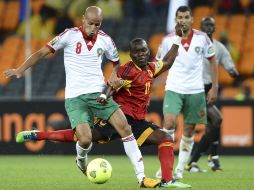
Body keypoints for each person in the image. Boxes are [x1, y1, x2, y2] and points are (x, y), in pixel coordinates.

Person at [4, 6, 159, 188]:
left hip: (98, 93)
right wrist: (19, 70)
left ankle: (142, 178)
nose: (93, 28)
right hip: (75, 97)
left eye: (98, 24)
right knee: (85, 139)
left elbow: (116, 63)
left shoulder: (106, 40)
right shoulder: (69, 35)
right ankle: (81, 160)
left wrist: (114, 75)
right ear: (83, 19)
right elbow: (41, 52)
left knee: (125, 127)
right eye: (91, 23)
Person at [16, 35, 191, 188]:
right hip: (117, 118)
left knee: (165, 138)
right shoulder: (127, 71)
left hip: (137, 122)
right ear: (130, 55)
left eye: (144, 50)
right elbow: (112, 85)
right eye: (137, 52)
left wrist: (177, 38)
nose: (141, 54)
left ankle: (168, 182)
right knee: (83, 137)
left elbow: (167, 62)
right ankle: (39, 135)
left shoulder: (151, 69)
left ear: (148, 51)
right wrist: (104, 95)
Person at [154, 6, 219, 180]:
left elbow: (213, 61)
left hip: (196, 90)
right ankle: (165, 167)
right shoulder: (168, 39)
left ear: (191, 19)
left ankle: (180, 169)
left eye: (186, 17)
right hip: (174, 87)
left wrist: (214, 87)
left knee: (189, 130)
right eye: (179, 17)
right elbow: (158, 63)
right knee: (169, 123)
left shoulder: (202, 38)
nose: (182, 20)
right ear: (176, 20)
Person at [184, 16, 239, 173]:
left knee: (212, 127)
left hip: (209, 89)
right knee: (217, 119)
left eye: (211, 25)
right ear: (200, 27)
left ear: (214, 28)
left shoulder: (219, 47)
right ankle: (209, 158)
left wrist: (233, 71)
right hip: (194, 89)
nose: (208, 27)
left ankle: (198, 161)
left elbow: (230, 66)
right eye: (205, 24)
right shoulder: (192, 45)